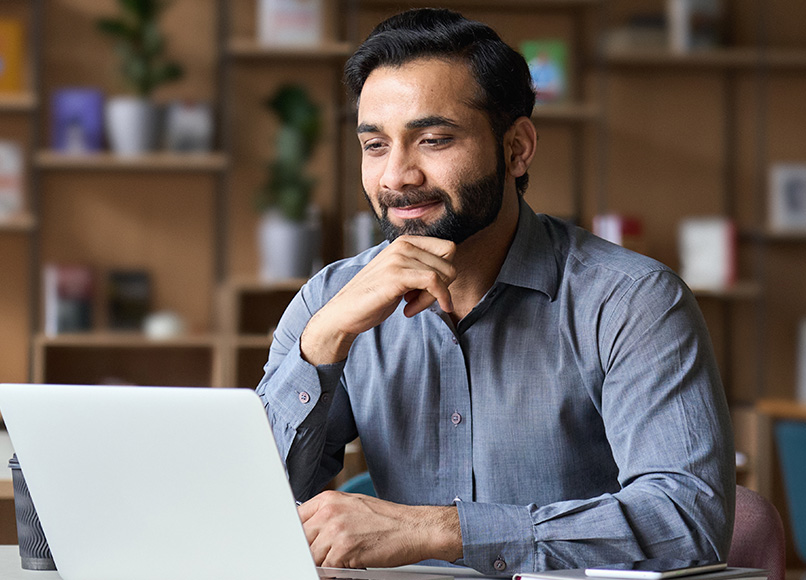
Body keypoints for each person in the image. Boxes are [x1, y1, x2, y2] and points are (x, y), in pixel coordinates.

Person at [255, 8, 734, 575]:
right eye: (376, 145)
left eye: (432, 139)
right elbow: (246, 508)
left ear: (517, 148)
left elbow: (687, 522)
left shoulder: (633, 302)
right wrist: (323, 343)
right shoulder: (329, 301)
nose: (396, 177)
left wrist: (440, 530)